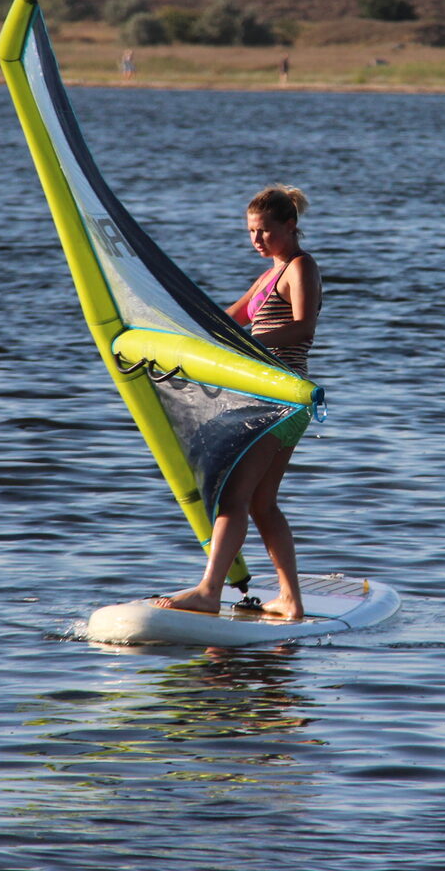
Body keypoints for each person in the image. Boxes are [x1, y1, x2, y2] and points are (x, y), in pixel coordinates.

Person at [156, 185, 321, 620]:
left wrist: (248, 345)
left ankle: (209, 591)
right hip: (272, 403)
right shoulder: (269, 275)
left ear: (291, 226)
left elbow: (304, 329)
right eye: (251, 232)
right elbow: (224, 323)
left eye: (265, 231)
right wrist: (173, 332)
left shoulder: (301, 267)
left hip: (281, 400)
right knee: (262, 504)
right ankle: (290, 599)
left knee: (233, 497)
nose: (256, 240)